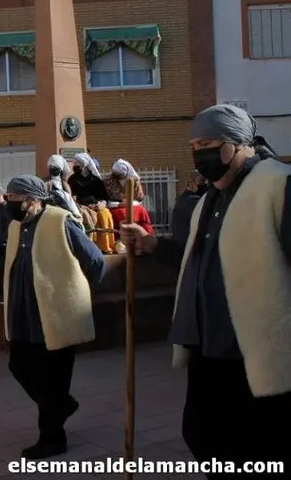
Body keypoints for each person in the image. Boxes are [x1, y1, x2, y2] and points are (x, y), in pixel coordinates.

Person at [120, 104, 291, 478]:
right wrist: (152, 244)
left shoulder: (277, 185)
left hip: (253, 349)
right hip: (207, 344)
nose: (200, 154)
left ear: (238, 144)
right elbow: (197, 258)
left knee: (257, 444)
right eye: (194, 146)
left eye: (209, 144)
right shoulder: (210, 199)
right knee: (202, 433)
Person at [0, 175, 105, 460]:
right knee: (19, 366)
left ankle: (52, 438)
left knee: (51, 379)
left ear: (33, 199)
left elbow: (94, 259)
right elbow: (11, 261)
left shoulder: (60, 221)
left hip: (56, 315)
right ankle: (62, 406)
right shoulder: (17, 226)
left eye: (15, 198)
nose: (10, 204)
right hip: (24, 314)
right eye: (9, 198)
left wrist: (77, 291)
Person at [171, 170, 207, 246]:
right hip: (187, 245)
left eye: (206, 182)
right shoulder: (190, 200)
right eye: (201, 181)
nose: (205, 185)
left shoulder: (184, 198)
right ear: (191, 183)